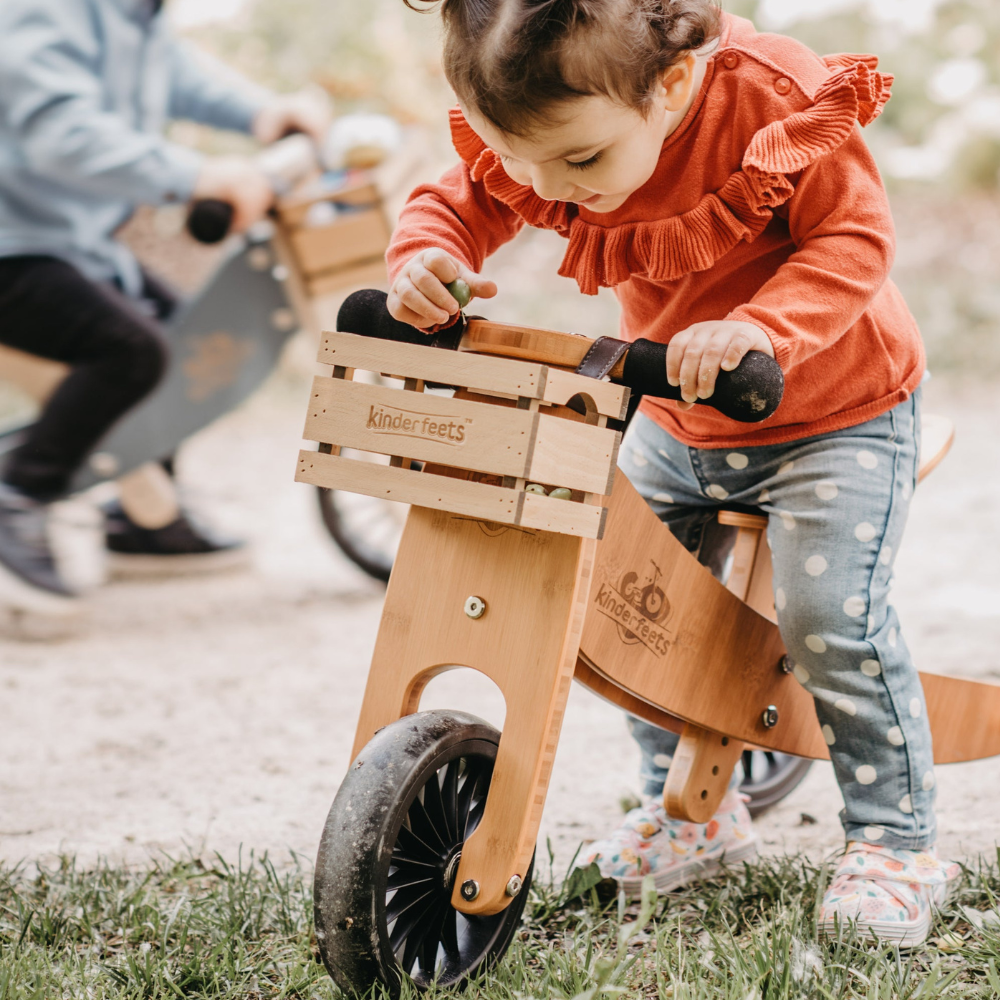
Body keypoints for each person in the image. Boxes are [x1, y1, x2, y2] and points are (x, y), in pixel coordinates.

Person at [385, 0, 959, 947]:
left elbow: (854, 239)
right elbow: (461, 197)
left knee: (830, 624)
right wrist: (426, 256)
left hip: (837, 414)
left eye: (578, 164)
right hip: (678, 416)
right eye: (521, 158)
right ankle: (689, 812)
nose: (548, 188)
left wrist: (760, 328)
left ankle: (895, 843)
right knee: (626, 606)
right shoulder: (558, 130)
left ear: (674, 86)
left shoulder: (769, 100)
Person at [0, 0, 330, 616]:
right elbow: (60, 134)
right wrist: (196, 173)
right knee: (131, 351)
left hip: (72, 243)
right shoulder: (41, 11)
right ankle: (19, 493)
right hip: (13, 248)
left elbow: (178, 74)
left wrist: (261, 110)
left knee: (186, 337)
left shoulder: (133, 13)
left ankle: (139, 520)